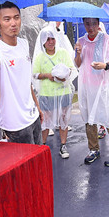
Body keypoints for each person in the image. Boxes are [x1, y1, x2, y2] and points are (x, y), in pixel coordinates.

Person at [0, 1, 42, 147]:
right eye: (7, 19)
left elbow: (26, 81)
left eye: (16, 17)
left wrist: (37, 107)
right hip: (15, 124)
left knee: (40, 163)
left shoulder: (24, 44)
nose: (13, 23)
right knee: (27, 168)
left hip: (33, 116)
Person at [75, 17, 109, 167]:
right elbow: (78, 64)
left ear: (98, 24)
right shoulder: (81, 41)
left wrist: (104, 65)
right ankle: (93, 149)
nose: (90, 27)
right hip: (87, 86)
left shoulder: (106, 40)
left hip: (104, 87)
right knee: (89, 118)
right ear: (83, 24)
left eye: (93, 23)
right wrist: (78, 53)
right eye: (87, 23)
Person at [32, 28, 76, 158]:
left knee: (64, 119)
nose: (51, 42)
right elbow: (35, 74)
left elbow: (71, 68)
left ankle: (63, 145)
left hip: (63, 92)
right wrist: (48, 75)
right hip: (47, 95)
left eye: (52, 39)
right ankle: (43, 146)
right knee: (45, 122)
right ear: (43, 42)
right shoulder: (40, 57)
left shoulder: (63, 53)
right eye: (47, 40)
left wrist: (64, 75)